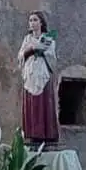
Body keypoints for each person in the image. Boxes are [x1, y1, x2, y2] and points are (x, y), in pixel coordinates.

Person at [18, 11, 60, 143]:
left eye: (35, 20)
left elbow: (52, 57)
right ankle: (32, 133)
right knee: (31, 104)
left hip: (43, 73)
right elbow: (20, 56)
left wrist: (42, 49)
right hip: (30, 74)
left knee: (44, 103)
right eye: (30, 20)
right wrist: (30, 49)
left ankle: (46, 134)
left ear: (41, 22)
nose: (32, 23)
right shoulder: (27, 39)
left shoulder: (48, 38)